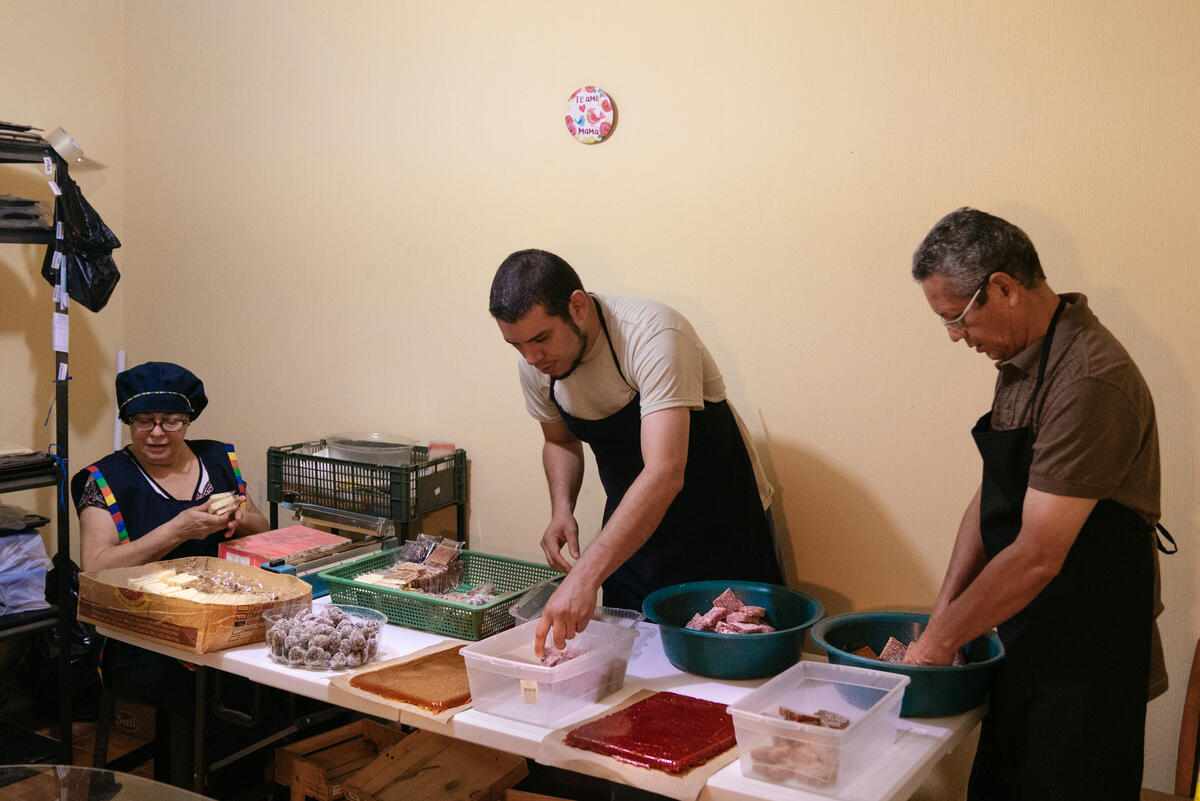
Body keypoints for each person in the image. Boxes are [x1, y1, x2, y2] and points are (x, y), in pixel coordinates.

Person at [906, 208, 1174, 800]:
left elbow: (1037, 556)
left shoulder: (1088, 380)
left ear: (1001, 288)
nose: (955, 337)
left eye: (955, 318)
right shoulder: (1024, 357)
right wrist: (941, 613)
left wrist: (935, 647)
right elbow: (992, 493)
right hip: (1033, 630)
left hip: (1090, 649)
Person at [489, 249, 783, 656]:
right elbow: (559, 441)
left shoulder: (654, 335)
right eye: (516, 345)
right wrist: (562, 508)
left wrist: (584, 576)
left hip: (721, 522)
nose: (532, 357)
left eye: (541, 338)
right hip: (633, 531)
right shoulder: (537, 361)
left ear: (577, 306)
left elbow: (664, 472)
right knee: (636, 664)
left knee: (730, 660)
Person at [71, 360, 270, 786]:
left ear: (188, 419)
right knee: (213, 691)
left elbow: (263, 529)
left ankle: (245, 786)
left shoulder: (217, 461)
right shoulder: (104, 479)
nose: (157, 433)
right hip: (140, 632)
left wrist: (239, 520)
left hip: (223, 617)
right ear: (128, 420)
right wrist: (179, 529)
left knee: (270, 683)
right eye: (143, 421)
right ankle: (191, 786)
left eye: (171, 421)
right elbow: (96, 567)